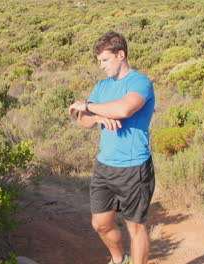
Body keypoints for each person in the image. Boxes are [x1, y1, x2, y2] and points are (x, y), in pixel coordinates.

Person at [68, 31, 155, 264]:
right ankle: (119, 260)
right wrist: (95, 116)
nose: (101, 66)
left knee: (135, 227)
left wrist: (88, 106)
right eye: (99, 62)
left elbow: (125, 109)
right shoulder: (102, 86)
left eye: (105, 60)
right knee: (101, 224)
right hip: (105, 166)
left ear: (121, 54)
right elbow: (83, 121)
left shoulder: (140, 82)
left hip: (134, 166)